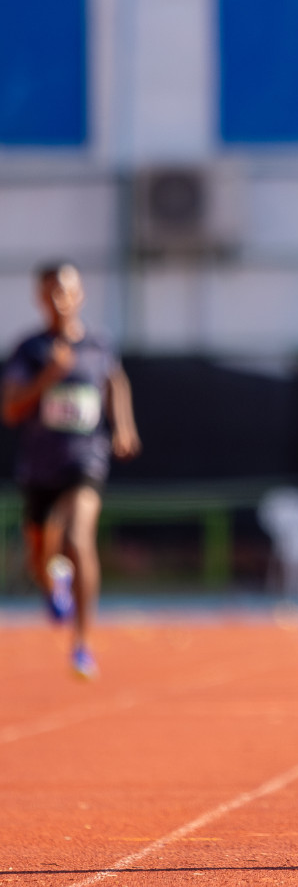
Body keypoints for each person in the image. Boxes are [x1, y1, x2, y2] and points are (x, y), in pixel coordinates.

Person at [2, 262, 140, 679]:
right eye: (51, 292)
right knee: (41, 555)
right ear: (40, 298)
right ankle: (52, 582)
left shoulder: (98, 344)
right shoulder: (29, 350)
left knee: (79, 539)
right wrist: (48, 376)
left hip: (86, 461)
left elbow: (116, 381)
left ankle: (82, 645)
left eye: (66, 291)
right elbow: (11, 409)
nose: (59, 299)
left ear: (79, 294)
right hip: (40, 469)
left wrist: (124, 426)